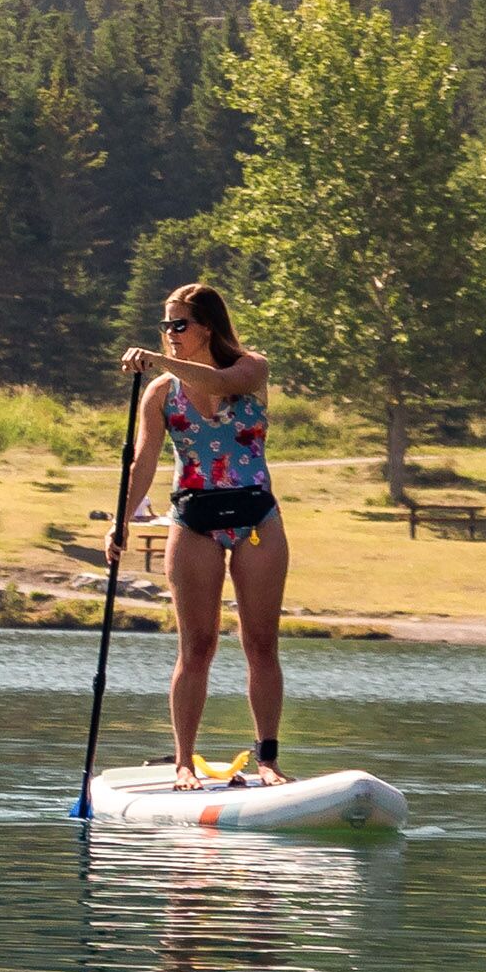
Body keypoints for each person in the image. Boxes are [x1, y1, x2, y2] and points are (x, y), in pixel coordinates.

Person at [117, 281, 294, 782]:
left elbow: (218, 385)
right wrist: (120, 523)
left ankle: (268, 760)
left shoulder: (251, 369)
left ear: (207, 328)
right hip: (193, 522)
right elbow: (143, 463)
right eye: (165, 326)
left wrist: (158, 357)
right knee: (197, 646)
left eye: (179, 325)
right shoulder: (159, 393)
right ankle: (182, 763)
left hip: (256, 520)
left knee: (261, 643)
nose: (170, 334)